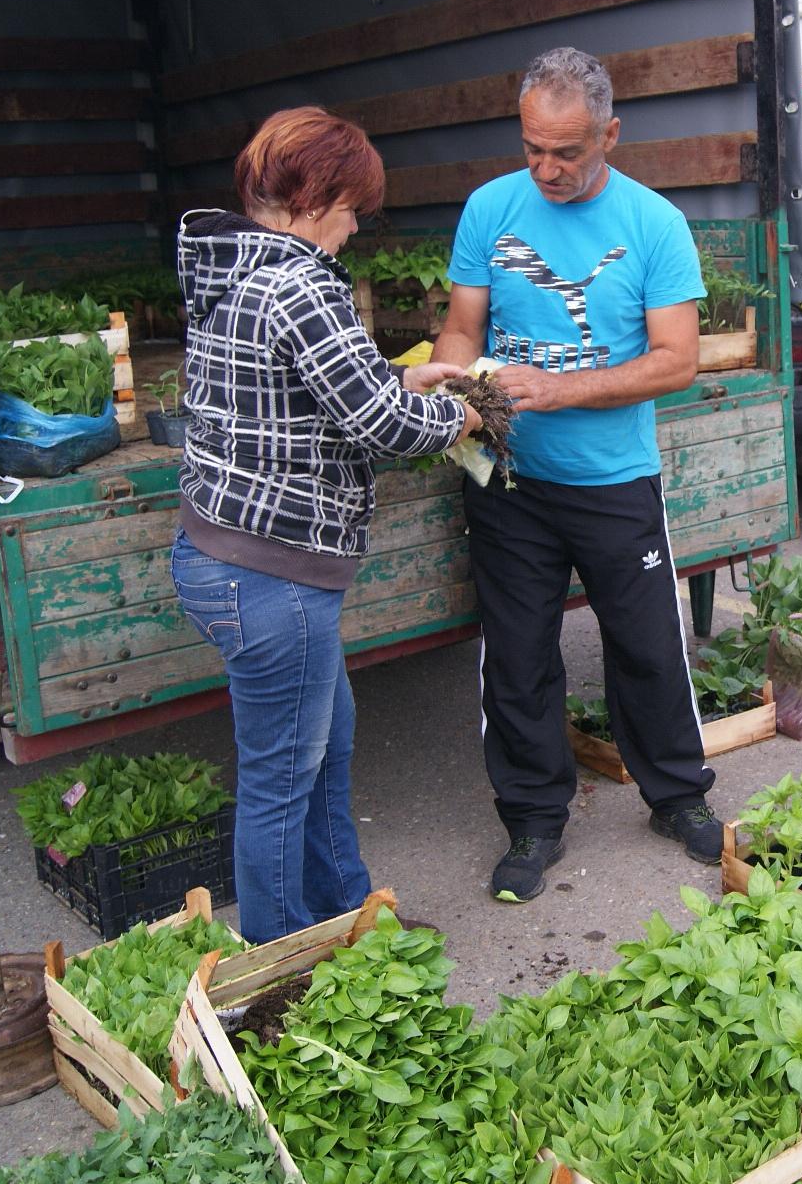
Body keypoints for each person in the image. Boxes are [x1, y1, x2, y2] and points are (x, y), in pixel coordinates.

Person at [171, 106, 480, 943]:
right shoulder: (301, 281)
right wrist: (462, 418)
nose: (354, 229)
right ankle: (277, 969)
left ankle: (347, 912)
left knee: (325, 746)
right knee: (281, 779)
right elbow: (379, 427)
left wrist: (402, 382)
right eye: (352, 210)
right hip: (274, 575)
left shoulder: (230, 265)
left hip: (219, 555)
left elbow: (300, 393)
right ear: (315, 196)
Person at [432, 48, 720, 903]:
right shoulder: (490, 208)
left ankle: (676, 795)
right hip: (508, 482)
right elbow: (459, 326)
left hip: (613, 480)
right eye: (532, 149)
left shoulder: (654, 224)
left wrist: (559, 390)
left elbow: (676, 363)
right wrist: (453, 383)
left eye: (567, 151)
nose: (547, 170)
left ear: (610, 133)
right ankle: (531, 818)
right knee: (517, 657)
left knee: (647, 646)